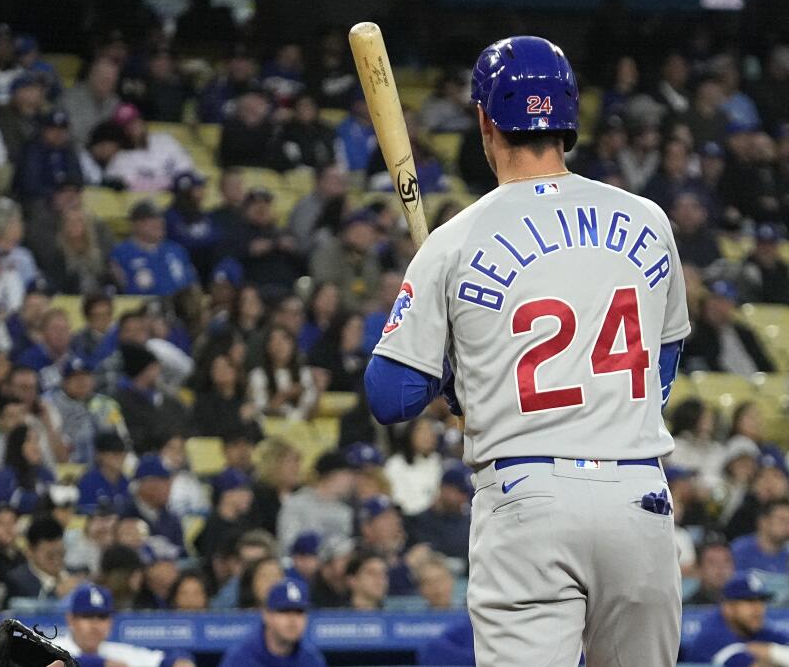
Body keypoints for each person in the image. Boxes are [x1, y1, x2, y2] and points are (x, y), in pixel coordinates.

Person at [364, 36, 689, 665]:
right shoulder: (648, 218)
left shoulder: (455, 240)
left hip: (525, 497)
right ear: (570, 118)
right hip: (638, 498)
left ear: (485, 121)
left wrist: (459, 372)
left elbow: (389, 396)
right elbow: (663, 366)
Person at [53, 582, 193, 667]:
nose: (95, 624)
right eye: (87, 616)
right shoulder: (52, 646)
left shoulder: (119, 653)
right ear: (71, 620)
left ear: (111, 622)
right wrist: (100, 664)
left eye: (102, 617)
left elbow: (163, 661)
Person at [683, 574, 789, 666]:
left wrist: (771, 651)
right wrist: (776, 654)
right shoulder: (712, 634)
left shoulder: (754, 628)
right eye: (749, 601)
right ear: (728, 608)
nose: (758, 608)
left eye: (761, 600)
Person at [218, 578, 326, 667]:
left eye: (299, 612)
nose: (293, 620)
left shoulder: (311, 659)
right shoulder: (241, 658)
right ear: (266, 615)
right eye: (284, 611)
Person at [109, 201, 199, 297]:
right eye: (151, 219)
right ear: (135, 224)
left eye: (160, 218)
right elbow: (119, 286)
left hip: (180, 306)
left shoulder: (177, 250)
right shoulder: (121, 253)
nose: (159, 223)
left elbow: (193, 284)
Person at [277, 451, 354, 550]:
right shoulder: (296, 503)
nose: (351, 481)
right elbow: (288, 542)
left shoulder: (345, 511)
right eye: (348, 475)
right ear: (332, 475)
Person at [4, 516, 78, 603]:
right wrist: (55, 594)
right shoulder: (16, 582)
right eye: (50, 556)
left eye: (61, 554)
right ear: (30, 552)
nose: (57, 560)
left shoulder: (77, 575)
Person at [122, 453, 185, 549]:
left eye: (169, 482)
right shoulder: (125, 514)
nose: (169, 488)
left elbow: (182, 554)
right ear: (146, 484)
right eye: (164, 481)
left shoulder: (171, 518)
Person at [730, 500, 789, 575]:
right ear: (763, 522)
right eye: (782, 520)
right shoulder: (738, 551)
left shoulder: (787, 556)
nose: (787, 526)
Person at [76, 432, 131, 513]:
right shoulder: (87, 483)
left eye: (123, 452)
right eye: (114, 452)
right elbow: (84, 514)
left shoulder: (128, 482)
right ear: (99, 455)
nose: (120, 457)